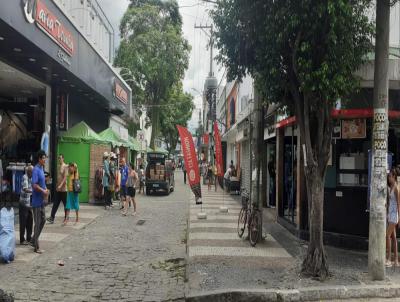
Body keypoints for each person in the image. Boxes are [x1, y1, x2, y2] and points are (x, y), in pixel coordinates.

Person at [31, 150, 48, 254]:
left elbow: (42, 183)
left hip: (41, 201)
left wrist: (46, 189)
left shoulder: (42, 168)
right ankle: (36, 247)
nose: (45, 159)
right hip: (36, 202)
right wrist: (43, 190)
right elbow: (34, 185)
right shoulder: (36, 170)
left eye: (45, 157)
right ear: (39, 159)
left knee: (44, 220)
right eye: (43, 158)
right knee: (37, 223)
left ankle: (34, 239)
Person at [47, 154, 68, 224]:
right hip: (58, 189)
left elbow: (65, 178)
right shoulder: (59, 167)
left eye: (60, 158)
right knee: (55, 204)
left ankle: (66, 218)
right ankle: (52, 218)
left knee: (65, 205)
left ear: (63, 159)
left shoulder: (65, 166)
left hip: (64, 189)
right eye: (58, 158)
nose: (59, 159)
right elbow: (58, 177)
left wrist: (61, 185)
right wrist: (57, 186)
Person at [386, 168, 400, 267]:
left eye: (390, 176)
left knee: (387, 236)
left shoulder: (396, 188)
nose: (389, 178)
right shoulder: (391, 186)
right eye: (388, 176)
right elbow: (391, 202)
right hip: (390, 214)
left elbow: (399, 204)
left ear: (394, 177)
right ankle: (396, 260)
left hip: (394, 214)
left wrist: (399, 218)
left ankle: (389, 259)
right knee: (394, 237)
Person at [19, 165, 33, 245]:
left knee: (30, 220)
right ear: (29, 171)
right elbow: (25, 189)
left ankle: (29, 237)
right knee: (23, 221)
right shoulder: (25, 177)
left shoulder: (31, 177)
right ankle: (22, 239)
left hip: (28, 203)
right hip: (23, 203)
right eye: (32, 172)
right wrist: (33, 191)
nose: (33, 174)